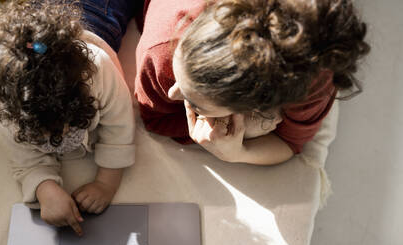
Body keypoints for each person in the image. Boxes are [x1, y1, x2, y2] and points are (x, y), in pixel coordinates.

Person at [0, 0, 139, 235]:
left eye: (64, 125)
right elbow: (24, 159)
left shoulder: (97, 70)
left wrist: (105, 184)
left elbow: (120, 127)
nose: (61, 135)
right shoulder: (6, 109)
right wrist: (44, 188)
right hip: (42, 22)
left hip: (98, 10)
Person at [135, 0, 370, 164]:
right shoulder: (160, 53)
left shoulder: (312, 75)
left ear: (255, 107)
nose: (172, 93)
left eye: (195, 102)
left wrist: (238, 152)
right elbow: (155, 118)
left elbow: (290, 143)